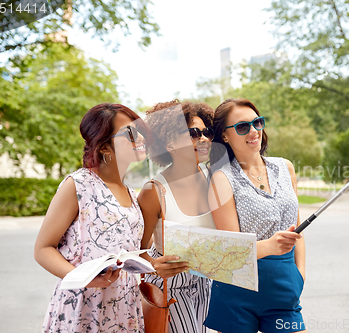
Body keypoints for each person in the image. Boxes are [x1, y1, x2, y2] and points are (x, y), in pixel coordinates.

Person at [34, 103, 150, 332]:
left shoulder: (129, 190)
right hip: (84, 306)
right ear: (105, 147)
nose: (140, 137)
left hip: (124, 306)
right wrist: (83, 277)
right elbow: (43, 249)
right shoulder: (78, 184)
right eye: (130, 132)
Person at [204, 98, 306, 333]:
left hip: (285, 285)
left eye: (257, 123)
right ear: (225, 137)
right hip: (238, 290)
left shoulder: (285, 168)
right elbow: (231, 248)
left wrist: (299, 275)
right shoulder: (221, 178)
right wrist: (270, 246)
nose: (253, 131)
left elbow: (298, 229)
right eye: (242, 127)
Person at [138, 100, 216, 333]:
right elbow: (137, 249)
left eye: (207, 132)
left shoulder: (216, 178)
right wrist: (153, 265)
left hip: (209, 283)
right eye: (193, 133)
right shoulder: (153, 191)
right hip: (170, 287)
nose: (204, 139)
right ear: (169, 142)